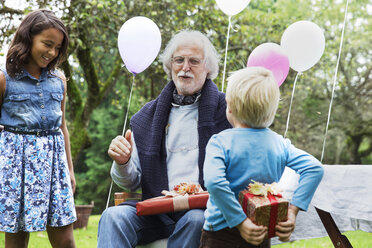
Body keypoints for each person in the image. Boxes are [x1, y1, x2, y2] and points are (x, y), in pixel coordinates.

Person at [97, 30, 231, 248]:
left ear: (208, 68)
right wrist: (122, 162)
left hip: (203, 210)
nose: (185, 67)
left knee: (196, 219)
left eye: (194, 61)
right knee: (113, 217)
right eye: (179, 60)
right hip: (156, 212)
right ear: (170, 66)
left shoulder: (227, 110)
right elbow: (130, 182)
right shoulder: (145, 118)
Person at [200, 67, 324, 248]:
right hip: (261, 230)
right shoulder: (280, 143)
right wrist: (293, 211)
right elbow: (315, 168)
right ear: (271, 110)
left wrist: (241, 222)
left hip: (220, 233)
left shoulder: (220, 142)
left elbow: (214, 183)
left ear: (231, 107)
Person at [0, 9, 76, 248]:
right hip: (16, 168)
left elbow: (62, 128)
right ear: (28, 38)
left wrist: (70, 171)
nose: (52, 52)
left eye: (58, 48)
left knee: (65, 240)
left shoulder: (59, 80)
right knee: (17, 240)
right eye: (47, 44)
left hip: (54, 166)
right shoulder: (4, 79)